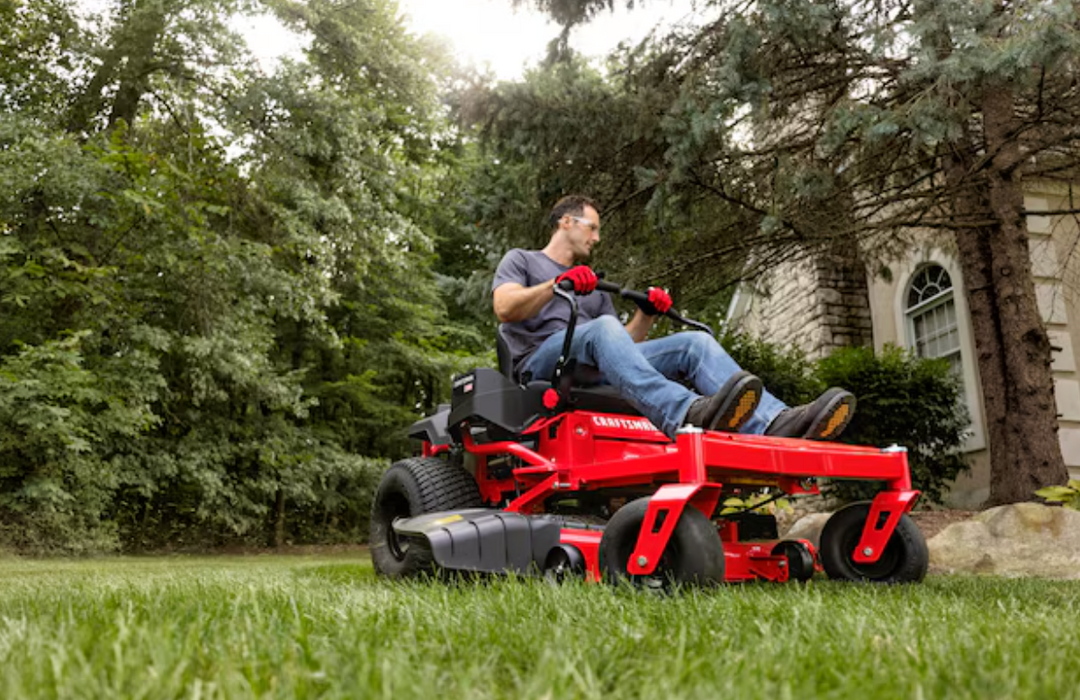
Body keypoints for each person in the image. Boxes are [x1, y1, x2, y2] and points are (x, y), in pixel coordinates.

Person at [491, 194, 855, 440]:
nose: (597, 238)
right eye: (592, 227)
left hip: (590, 361)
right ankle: (685, 413)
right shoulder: (523, 260)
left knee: (694, 343)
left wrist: (645, 315)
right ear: (567, 222)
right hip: (541, 364)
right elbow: (505, 307)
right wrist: (556, 284)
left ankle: (775, 422)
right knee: (600, 328)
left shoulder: (593, 283)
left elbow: (621, 346)